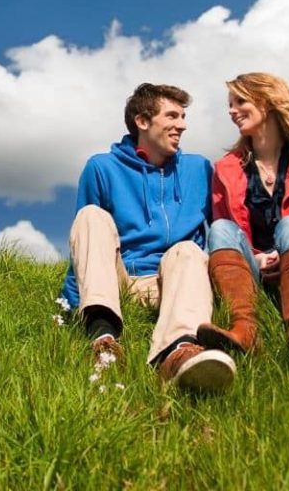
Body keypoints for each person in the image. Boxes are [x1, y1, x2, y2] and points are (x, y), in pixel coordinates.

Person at [60, 83, 236, 391]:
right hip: (121, 281)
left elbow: (225, 232)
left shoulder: (199, 169)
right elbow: (84, 243)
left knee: (187, 249)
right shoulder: (102, 168)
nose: (182, 124)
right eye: (172, 116)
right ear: (143, 121)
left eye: (183, 116)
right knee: (90, 216)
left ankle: (179, 351)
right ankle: (103, 336)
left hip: (174, 282)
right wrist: (72, 303)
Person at [197, 72, 289, 359]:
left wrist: (288, 255)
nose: (231, 110)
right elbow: (229, 237)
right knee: (220, 229)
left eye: (240, 101)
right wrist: (254, 258)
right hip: (259, 277)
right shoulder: (225, 169)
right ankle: (245, 330)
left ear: (266, 102)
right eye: (230, 103)